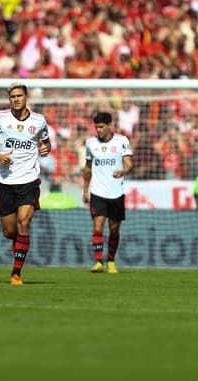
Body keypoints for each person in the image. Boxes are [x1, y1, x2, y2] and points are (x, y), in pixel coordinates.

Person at [0, 82, 51, 286]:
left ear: (26, 97)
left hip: (29, 180)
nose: (16, 99)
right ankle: (19, 248)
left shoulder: (39, 121)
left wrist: (46, 149)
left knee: (23, 222)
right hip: (5, 181)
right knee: (10, 231)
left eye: (19, 96)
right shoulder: (0, 118)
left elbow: (46, 143)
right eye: (12, 97)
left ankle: (16, 273)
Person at [82, 112, 133, 274]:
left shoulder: (122, 141)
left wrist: (123, 171)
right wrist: (85, 190)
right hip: (98, 192)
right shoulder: (91, 143)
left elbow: (129, 164)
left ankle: (111, 260)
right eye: (96, 127)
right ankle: (98, 261)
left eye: (101, 127)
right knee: (97, 226)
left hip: (116, 192)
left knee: (114, 229)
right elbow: (88, 168)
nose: (98, 130)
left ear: (110, 125)